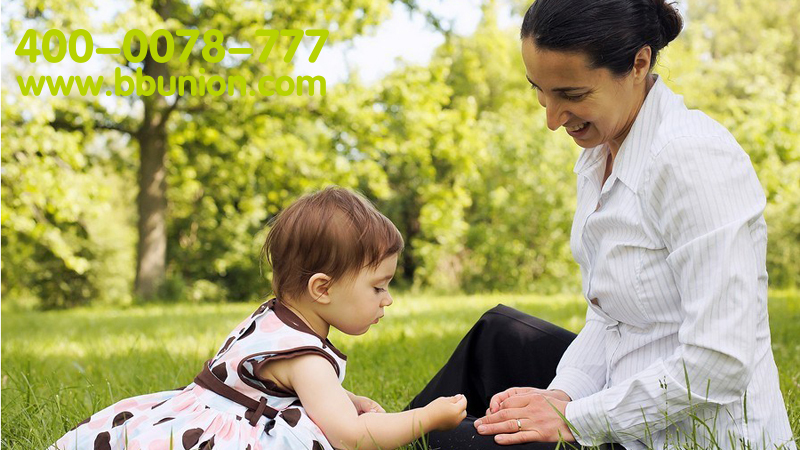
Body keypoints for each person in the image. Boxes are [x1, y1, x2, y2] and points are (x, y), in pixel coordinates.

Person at [408, 0, 797, 449]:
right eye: (540, 90)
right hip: (622, 385)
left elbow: (720, 362)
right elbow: (607, 317)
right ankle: (371, 431)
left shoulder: (693, 159)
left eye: (571, 95)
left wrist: (572, 418)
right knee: (497, 335)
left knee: (462, 441)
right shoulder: (601, 154)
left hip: (683, 431)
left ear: (639, 63)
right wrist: (561, 393)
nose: (552, 120)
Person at [49, 187, 467, 450]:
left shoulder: (274, 316)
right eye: (378, 286)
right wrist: (426, 417)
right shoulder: (307, 359)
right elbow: (351, 438)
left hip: (180, 417)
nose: (387, 300)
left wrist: (347, 400)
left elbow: (269, 388)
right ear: (322, 289)